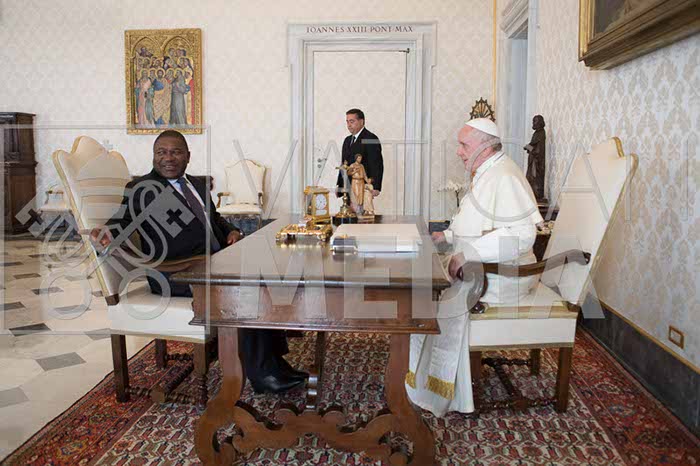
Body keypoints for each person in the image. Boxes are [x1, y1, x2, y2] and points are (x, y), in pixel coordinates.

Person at [91, 130, 307, 394]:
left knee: (263, 275)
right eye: (161, 152)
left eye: (176, 152)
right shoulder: (141, 189)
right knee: (247, 291)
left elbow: (215, 220)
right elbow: (123, 220)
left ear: (188, 156)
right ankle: (264, 374)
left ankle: (274, 361)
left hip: (215, 263)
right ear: (154, 156)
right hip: (178, 273)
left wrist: (231, 231)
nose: (168, 158)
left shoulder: (197, 184)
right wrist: (106, 231)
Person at [406, 118, 543, 417]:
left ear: (485, 146)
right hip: (483, 267)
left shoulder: (504, 176)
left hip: (501, 276)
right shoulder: (488, 172)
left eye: (463, 145)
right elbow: (476, 224)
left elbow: (522, 236)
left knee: (430, 291)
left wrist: (468, 253)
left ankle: (442, 391)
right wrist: (448, 237)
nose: (459, 152)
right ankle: (422, 377)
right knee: (422, 282)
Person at [336, 109, 383, 198]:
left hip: (363, 187)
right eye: (347, 122)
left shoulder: (370, 138)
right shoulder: (347, 140)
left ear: (361, 121)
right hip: (348, 187)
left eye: (352, 121)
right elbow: (344, 164)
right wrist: (340, 185)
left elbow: (376, 164)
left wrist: (375, 186)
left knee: (360, 207)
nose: (349, 125)